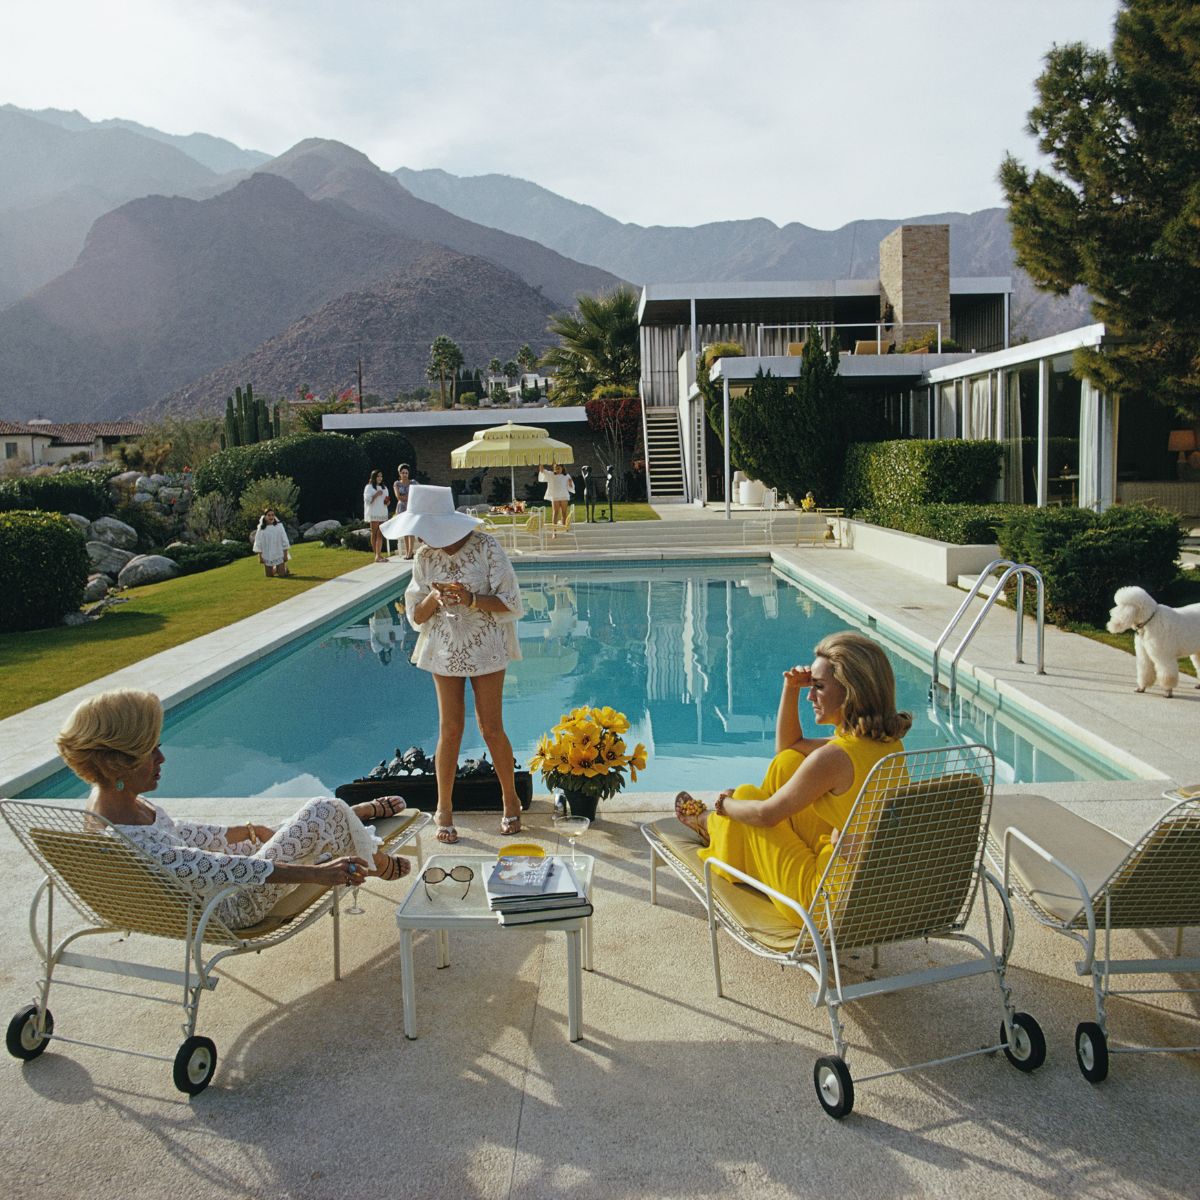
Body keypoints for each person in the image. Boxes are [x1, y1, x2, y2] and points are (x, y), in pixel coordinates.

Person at [55, 690, 412, 931]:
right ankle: (372, 852)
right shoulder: (132, 837)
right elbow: (221, 867)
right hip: (231, 903)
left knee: (287, 828)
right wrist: (315, 874)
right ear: (118, 762)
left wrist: (242, 830)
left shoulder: (107, 802)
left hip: (212, 885)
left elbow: (177, 834)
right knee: (320, 810)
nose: (162, 758)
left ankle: (354, 818)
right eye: (150, 751)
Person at [675, 631, 912, 926]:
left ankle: (714, 824)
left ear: (851, 692)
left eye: (819, 687)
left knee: (748, 796)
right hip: (863, 886)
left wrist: (726, 804)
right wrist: (791, 688)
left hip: (821, 902)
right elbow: (788, 748)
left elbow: (765, 814)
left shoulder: (835, 758)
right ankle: (729, 836)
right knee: (788, 763)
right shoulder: (883, 743)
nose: (810, 696)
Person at [392, 484, 525, 843]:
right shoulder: (424, 557)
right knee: (449, 730)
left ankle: (510, 801)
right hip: (444, 648)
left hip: (486, 646)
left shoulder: (486, 547)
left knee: (490, 728)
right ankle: (444, 808)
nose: (421, 534)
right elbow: (417, 617)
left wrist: (470, 598)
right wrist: (435, 597)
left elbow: (511, 603)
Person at [252, 509, 290, 578]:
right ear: (265, 517)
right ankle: (276, 569)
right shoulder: (261, 529)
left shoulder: (279, 526)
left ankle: (284, 569)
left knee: (282, 575)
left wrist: (285, 554)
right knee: (269, 575)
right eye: (269, 515)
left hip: (279, 554)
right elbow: (258, 542)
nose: (271, 517)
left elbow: (285, 540)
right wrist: (260, 556)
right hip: (267, 554)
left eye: (272, 515)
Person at [363, 470, 390, 563]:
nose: (380, 478)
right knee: (374, 533)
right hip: (374, 512)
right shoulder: (369, 487)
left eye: (381, 476)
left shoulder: (384, 487)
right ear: (374, 477)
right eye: (378, 476)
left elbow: (386, 499)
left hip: (382, 512)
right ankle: (377, 555)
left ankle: (378, 555)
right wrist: (376, 494)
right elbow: (367, 500)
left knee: (380, 533)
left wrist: (387, 502)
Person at [538, 461, 575, 527]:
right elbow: (542, 470)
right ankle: (554, 531)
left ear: (562, 468)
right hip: (555, 497)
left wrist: (570, 483)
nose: (557, 470)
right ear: (554, 468)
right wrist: (541, 462)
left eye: (559, 468)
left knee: (564, 513)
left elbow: (571, 487)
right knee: (555, 513)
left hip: (564, 496)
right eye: (556, 468)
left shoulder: (566, 476)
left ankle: (564, 528)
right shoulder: (551, 475)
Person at [392, 463, 415, 559]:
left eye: (406, 472)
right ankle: (407, 552)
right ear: (399, 473)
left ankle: (410, 551)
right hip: (401, 508)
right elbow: (398, 497)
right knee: (405, 530)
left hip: (411, 508)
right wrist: (408, 497)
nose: (405, 474)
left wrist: (407, 497)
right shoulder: (397, 484)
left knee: (411, 530)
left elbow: (419, 492)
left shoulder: (413, 483)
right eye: (403, 472)